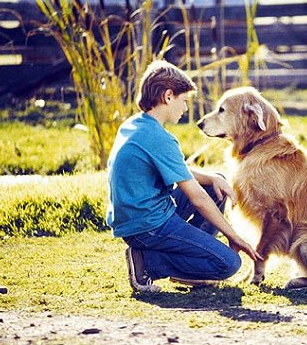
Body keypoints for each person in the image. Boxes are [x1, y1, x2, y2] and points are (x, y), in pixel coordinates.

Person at [106, 60, 262, 293]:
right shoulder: (160, 138)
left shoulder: (135, 125)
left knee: (214, 184)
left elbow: (179, 170)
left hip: (136, 218)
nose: (186, 109)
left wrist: (212, 178)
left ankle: (190, 260)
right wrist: (234, 236)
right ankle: (147, 263)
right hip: (147, 226)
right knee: (229, 263)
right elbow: (197, 198)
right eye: (184, 101)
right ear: (168, 96)